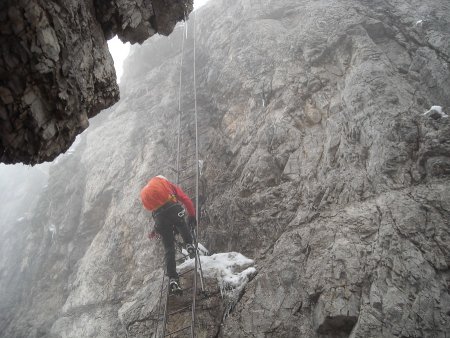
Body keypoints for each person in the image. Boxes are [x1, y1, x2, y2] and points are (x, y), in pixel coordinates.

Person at [140, 175, 197, 293]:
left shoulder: (150, 191)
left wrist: (155, 231)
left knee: (169, 247)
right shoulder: (168, 185)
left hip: (159, 218)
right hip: (173, 209)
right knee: (180, 223)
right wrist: (192, 215)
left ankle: (172, 278)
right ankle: (189, 244)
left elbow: (157, 212)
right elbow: (185, 199)